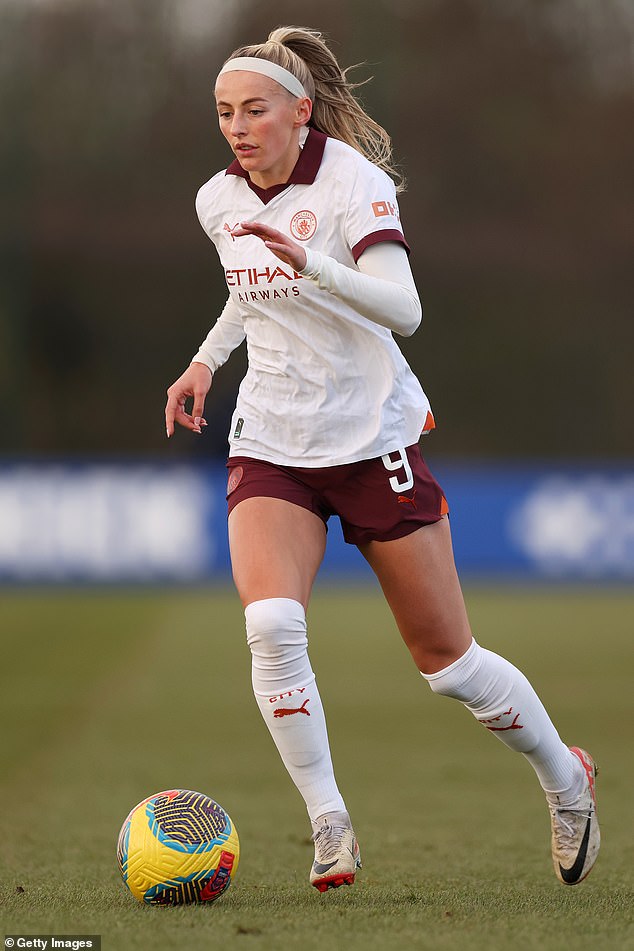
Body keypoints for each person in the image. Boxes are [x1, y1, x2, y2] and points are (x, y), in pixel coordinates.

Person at [164, 26, 599, 893]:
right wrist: (207, 361)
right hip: (272, 442)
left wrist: (317, 267)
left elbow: (404, 310)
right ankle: (330, 824)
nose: (238, 127)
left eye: (254, 110)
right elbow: (244, 293)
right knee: (272, 624)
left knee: (449, 666)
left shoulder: (354, 184)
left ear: (301, 109)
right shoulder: (218, 198)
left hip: (371, 441)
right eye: (224, 113)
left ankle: (564, 777)